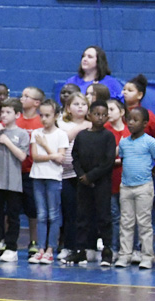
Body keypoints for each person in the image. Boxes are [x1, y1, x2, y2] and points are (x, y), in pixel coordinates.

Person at [66, 101, 117, 267]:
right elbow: (75, 157)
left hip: (101, 183)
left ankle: (107, 250)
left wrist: (91, 176)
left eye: (103, 115)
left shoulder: (108, 136)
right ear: (90, 115)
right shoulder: (82, 135)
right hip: (83, 183)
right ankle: (81, 250)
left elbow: (108, 161)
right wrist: (82, 175)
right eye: (97, 114)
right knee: (82, 216)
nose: (100, 117)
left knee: (104, 217)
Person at [114, 107, 155, 269]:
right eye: (129, 119)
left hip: (144, 187)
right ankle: (125, 254)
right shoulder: (124, 142)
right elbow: (123, 160)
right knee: (126, 222)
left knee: (144, 223)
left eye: (135, 120)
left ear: (144, 124)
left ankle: (147, 256)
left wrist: (152, 174)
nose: (131, 123)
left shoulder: (150, 142)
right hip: (126, 187)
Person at [0, 98, 29, 263]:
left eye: (8, 112)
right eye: (2, 112)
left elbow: (22, 156)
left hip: (14, 181)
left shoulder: (22, 134)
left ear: (17, 114)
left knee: (13, 215)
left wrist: (8, 142)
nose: (4, 115)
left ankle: (11, 247)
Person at [28, 99, 68, 264]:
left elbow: (61, 159)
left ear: (56, 116)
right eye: (41, 115)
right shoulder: (36, 133)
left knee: (53, 214)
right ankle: (40, 248)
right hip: (38, 177)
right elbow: (35, 157)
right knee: (41, 214)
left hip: (53, 178)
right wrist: (53, 155)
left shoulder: (61, 134)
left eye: (47, 115)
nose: (43, 119)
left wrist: (45, 145)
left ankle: (51, 248)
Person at [56, 91, 90, 261]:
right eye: (76, 104)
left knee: (84, 213)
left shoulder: (91, 124)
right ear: (68, 108)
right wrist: (79, 128)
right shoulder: (62, 124)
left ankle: (84, 247)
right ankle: (68, 246)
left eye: (83, 104)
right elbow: (63, 140)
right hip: (66, 174)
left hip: (84, 174)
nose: (80, 107)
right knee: (69, 212)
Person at [16, 87, 44, 255]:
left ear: (36, 102)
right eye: (22, 95)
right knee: (10, 209)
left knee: (32, 209)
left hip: (33, 172)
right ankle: (7, 240)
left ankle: (33, 240)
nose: (22, 98)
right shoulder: (16, 120)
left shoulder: (40, 122)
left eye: (27, 96)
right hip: (14, 172)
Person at [105, 98, 130, 258]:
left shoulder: (129, 131)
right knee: (114, 216)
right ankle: (114, 248)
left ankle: (130, 249)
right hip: (110, 180)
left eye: (112, 109)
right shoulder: (105, 131)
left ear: (121, 112)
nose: (108, 113)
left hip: (127, 180)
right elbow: (102, 158)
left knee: (128, 217)